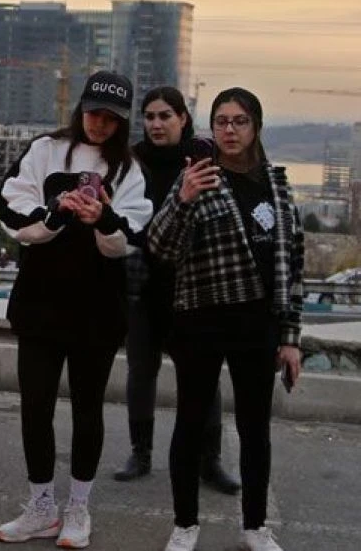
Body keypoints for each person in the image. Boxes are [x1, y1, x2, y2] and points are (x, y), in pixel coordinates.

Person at [0, 71, 153, 548]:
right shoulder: (45, 150)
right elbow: (11, 207)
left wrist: (101, 217)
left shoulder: (128, 168)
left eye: (110, 118)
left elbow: (129, 237)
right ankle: (41, 505)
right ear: (79, 108)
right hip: (41, 301)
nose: (99, 124)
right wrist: (57, 214)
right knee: (35, 405)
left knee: (88, 409)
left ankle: (78, 507)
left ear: (122, 122)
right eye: (92, 113)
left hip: (97, 308)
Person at [150, 88, 303, 551]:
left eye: (239, 121)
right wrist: (183, 198)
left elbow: (292, 263)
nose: (229, 130)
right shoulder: (197, 177)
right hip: (199, 319)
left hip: (257, 324)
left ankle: (254, 526)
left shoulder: (275, 185)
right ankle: (185, 524)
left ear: (255, 127)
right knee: (191, 423)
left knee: (255, 429)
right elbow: (159, 247)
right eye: (221, 121)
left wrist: (291, 337)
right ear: (210, 128)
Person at [115, 87, 239, 493]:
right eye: (149, 116)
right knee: (140, 372)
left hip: (193, 292)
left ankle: (211, 460)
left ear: (183, 118)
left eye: (165, 115)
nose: (155, 124)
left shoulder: (205, 160)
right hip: (144, 287)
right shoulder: (131, 162)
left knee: (204, 377)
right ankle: (141, 452)